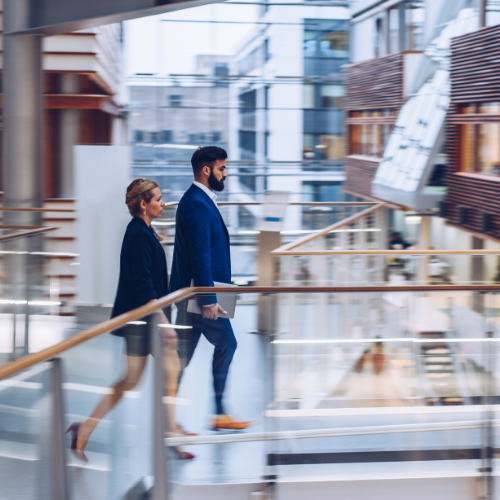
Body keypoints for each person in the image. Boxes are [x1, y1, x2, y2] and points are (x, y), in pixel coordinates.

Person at [67, 178, 195, 462]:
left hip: (143, 319)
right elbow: (143, 285)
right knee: (163, 372)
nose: (163, 204)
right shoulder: (138, 234)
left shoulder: (143, 231)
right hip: (145, 320)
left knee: (133, 380)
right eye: (158, 199)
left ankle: (84, 429)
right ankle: (171, 432)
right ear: (142, 204)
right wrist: (165, 324)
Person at [169, 146, 254, 430]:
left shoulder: (200, 199)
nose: (225, 174)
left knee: (182, 358)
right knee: (226, 344)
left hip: (196, 294)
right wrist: (208, 299)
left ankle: (169, 417)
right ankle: (217, 413)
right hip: (199, 296)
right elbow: (199, 254)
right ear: (206, 170)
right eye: (222, 169)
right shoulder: (196, 203)